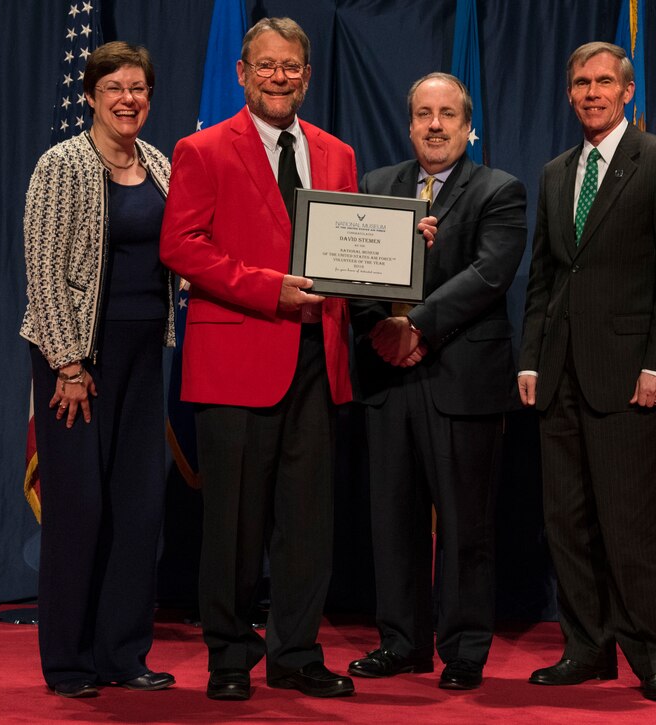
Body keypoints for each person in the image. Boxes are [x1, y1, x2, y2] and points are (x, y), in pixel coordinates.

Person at [160, 17, 435, 702]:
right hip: (236, 361)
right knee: (233, 524)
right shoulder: (201, 148)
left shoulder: (336, 153)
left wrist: (406, 251)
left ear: (308, 77)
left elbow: (349, 249)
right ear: (242, 73)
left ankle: (296, 652)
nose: (279, 77)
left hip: (319, 362)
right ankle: (229, 656)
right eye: (266, 65)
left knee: (309, 520)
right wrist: (268, 290)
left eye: (292, 67)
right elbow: (182, 245)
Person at [518, 42, 656, 703]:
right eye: (580, 83)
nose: (592, 92)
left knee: (631, 521)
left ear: (627, 91)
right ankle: (586, 647)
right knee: (567, 521)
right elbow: (544, 275)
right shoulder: (555, 172)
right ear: (569, 94)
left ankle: (652, 653)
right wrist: (531, 356)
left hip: (628, 375)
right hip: (559, 374)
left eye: (604, 82)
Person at [346, 73, 527, 691]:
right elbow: (351, 270)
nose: (435, 124)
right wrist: (380, 328)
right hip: (386, 377)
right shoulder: (375, 186)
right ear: (409, 123)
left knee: (464, 523)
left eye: (448, 113)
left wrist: (415, 328)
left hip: (462, 379)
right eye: (423, 112)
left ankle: (464, 648)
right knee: (391, 519)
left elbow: (488, 275)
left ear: (468, 125)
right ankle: (401, 642)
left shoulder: (499, 190)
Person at [20, 41, 176, 699]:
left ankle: (123, 652)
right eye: (113, 87)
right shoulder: (63, 165)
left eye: (137, 87)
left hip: (146, 354)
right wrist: (68, 364)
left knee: (138, 507)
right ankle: (69, 660)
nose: (127, 99)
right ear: (90, 95)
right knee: (80, 507)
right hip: (78, 357)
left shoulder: (163, 165)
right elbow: (45, 270)